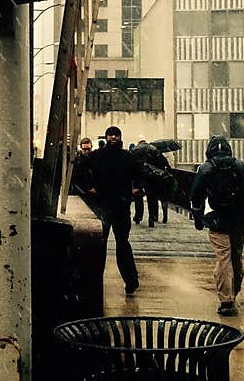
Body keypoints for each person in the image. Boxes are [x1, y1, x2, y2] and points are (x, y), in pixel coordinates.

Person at [190, 135, 244, 316]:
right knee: (236, 257)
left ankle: (226, 300)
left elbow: (196, 196)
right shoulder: (241, 166)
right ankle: (235, 291)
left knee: (223, 258)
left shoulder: (206, 168)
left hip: (217, 219)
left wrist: (198, 217)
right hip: (238, 218)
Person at [86, 124, 142, 295]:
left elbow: (81, 172)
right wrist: (135, 190)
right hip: (120, 205)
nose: (113, 138)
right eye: (111, 135)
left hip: (104, 205)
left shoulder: (96, 156)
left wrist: (90, 189)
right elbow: (140, 175)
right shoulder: (127, 157)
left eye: (115, 135)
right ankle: (130, 281)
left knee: (101, 245)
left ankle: (94, 281)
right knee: (122, 244)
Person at [132, 138, 173, 226]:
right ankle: (152, 217)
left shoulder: (135, 150)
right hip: (151, 177)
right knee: (151, 197)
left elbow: (131, 164)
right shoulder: (153, 149)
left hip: (138, 176)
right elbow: (162, 162)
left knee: (138, 197)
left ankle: (138, 216)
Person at [70, 136, 95, 200]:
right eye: (84, 149)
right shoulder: (76, 161)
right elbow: (75, 178)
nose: (87, 151)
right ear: (81, 148)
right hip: (80, 192)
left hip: (91, 190)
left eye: (88, 149)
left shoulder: (94, 159)